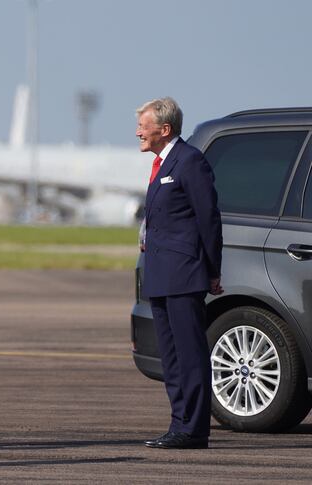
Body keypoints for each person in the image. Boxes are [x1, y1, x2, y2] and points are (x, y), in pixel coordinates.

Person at [136, 97, 223, 450]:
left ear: (164, 129)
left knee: (190, 355)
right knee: (170, 357)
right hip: (159, 274)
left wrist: (213, 269)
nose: (138, 131)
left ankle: (195, 429)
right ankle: (178, 424)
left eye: (144, 125)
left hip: (184, 274)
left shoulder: (189, 161)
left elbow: (209, 218)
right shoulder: (161, 164)